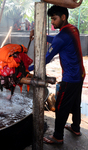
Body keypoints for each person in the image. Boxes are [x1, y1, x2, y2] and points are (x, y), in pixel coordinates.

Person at [29, 5, 85, 144]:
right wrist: (40, 34)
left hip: (70, 77)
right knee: (76, 102)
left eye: (54, 19)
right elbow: (58, 41)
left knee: (60, 106)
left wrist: (28, 68)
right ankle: (76, 127)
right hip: (80, 74)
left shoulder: (62, 36)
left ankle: (57, 137)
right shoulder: (72, 29)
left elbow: (46, 59)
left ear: (63, 17)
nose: (52, 22)